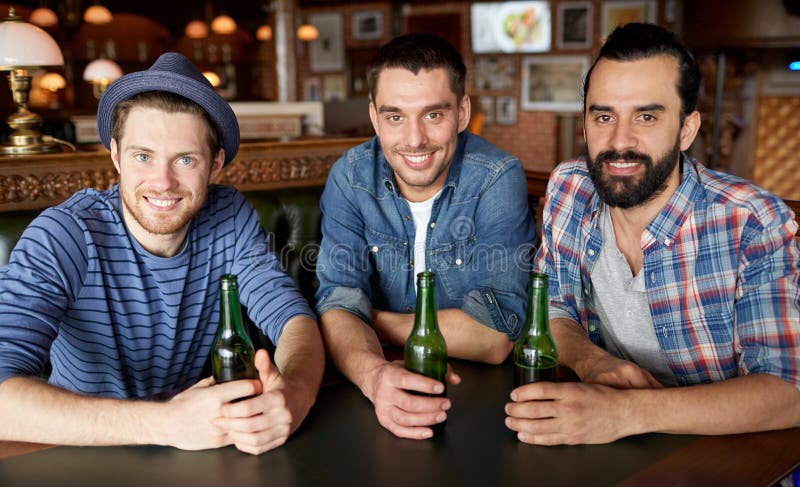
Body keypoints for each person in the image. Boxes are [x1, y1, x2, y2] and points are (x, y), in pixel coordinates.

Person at [0, 53, 325, 455]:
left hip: (199, 446)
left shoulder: (229, 214)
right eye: (143, 156)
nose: (163, 182)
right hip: (83, 451)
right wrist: (167, 423)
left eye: (185, 160)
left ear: (215, 164)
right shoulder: (64, 234)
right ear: (116, 156)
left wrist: (296, 393)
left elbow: (292, 318)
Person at [506, 23, 800, 444]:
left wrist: (624, 413)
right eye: (604, 116)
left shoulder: (751, 221)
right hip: (600, 440)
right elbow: (553, 305)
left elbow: (789, 390)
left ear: (687, 129)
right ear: (585, 126)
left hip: (721, 455)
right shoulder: (569, 187)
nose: (620, 141)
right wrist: (591, 362)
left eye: (646, 116)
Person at [315, 33, 537, 440]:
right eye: (395, 116)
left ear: (463, 111)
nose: (415, 139)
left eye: (433, 115)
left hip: (479, 407)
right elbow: (338, 299)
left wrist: (366, 321)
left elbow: (495, 336)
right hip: (371, 393)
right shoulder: (350, 178)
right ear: (374, 117)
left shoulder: (496, 177)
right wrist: (374, 376)